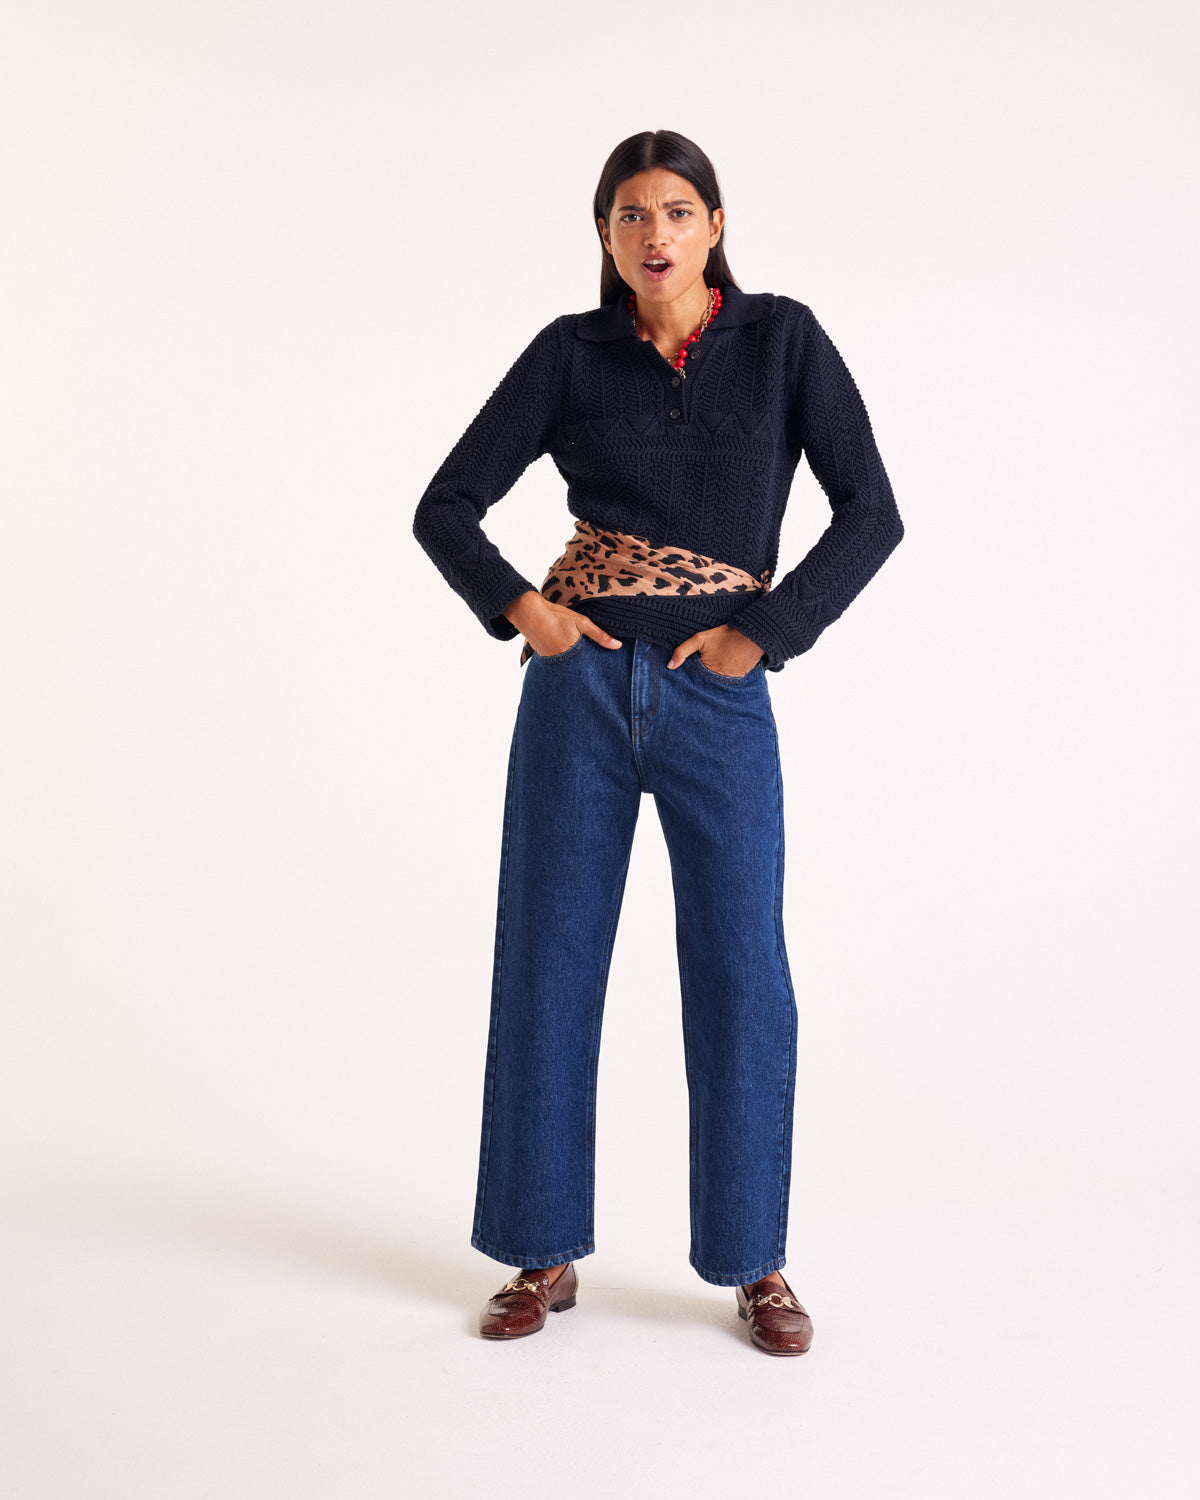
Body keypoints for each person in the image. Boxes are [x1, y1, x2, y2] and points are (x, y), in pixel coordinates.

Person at [412, 129, 904, 1357]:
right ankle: (540, 1250)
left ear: (716, 225)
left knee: (742, 972)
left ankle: (754, 1261)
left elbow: (871, 513)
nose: (654, 234)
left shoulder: (783, 342)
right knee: (550, 957)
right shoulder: (569, 354)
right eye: (630, 215)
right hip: (576, 692)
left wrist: (765, 635)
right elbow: (445, 505)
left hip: (716, 697)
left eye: (676, 211)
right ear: (605, 235)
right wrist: (526, 612)